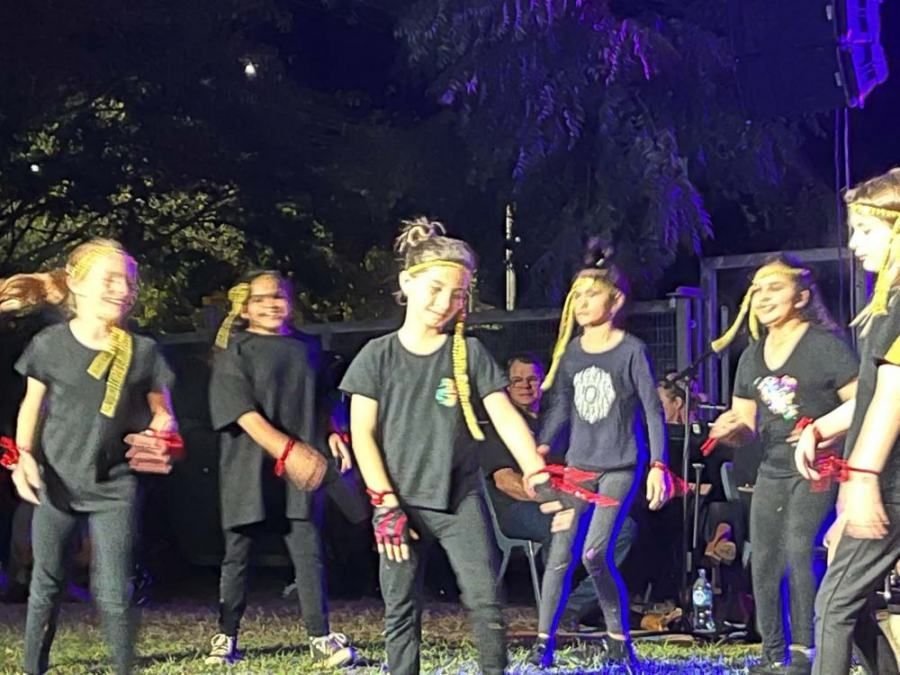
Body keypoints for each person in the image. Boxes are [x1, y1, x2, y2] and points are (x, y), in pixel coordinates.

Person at [339, 217, 558, 675]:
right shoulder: (376, 356)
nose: (446, 303)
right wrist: (384, 503)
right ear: (407, 283)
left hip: (460, 499)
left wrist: (534, 470)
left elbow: (503, 414)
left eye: (459, 294)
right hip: (398, 503)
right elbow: (362, 434)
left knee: (486, 602)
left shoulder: (469, 354)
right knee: (400, 609)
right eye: (436, 289)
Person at [4, 239, 178, 675]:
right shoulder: (49, 346)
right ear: (76, 285)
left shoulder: (143, 352)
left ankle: (122, 667)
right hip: (56, 484)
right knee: (46, 582)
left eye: (130, 282)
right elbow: (33, 406)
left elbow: (164, 412)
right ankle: (32, 667)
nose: (123, 289)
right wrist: (22, 456)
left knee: (115, 587)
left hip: (115, 486)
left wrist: (163, 432)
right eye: (111, 279)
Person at [708, 255, 858, 675]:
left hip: (820, 467)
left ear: (802, 296)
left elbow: (862, 405)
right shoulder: (752, 356)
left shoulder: (825, 346)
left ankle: (804, 652)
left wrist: (827, 435)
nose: (763, 296)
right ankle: (772, 653)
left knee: (798, 550)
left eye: (775, 287)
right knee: (766, 558)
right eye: (757, 289)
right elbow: (748, 426)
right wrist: (729, 428)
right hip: (772, 468)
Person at [205, 270, 360, 667]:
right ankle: (226, 636)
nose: (271, 304)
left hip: (302, 467)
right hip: (248, 465)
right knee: (238, 554)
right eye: (261, 298)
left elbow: (325, 399)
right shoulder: (233, 351)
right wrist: (287, 451)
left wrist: (333, 431)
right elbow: (239, 412)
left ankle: (320, 637)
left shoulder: (309, 347)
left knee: (308, 552)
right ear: (245, 307)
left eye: (279, 296)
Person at [529, 247, 672, 669]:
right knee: (560, 555)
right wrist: (541, 446)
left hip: (619, 467)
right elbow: (560, 407)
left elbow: (652, 410)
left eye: (591, 294)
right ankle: (543, 643)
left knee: (595, 554)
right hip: (578, 467)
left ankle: (617, 639)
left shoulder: (631, 351)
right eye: (577, 296)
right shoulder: (572, 352)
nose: (582, 303)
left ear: (616, 300)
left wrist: (659, 466)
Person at [793, 170, 900, 675]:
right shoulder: (888, 305)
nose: (853, 244)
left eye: (865, 230)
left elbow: (896, 394)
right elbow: (872, 395)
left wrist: (862, 479)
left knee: (833, 605)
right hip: (884, 477)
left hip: (891, 481)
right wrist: (821, 428)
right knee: (848, 600)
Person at [478, 354, 637, 630]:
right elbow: (506, 482)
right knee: (562, 527)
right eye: (517, 380)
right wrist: (556, 499)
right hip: (518, 508)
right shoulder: (499, 428)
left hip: (571, 501)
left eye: (532, 379)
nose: (525, 386)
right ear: (507, 385)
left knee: (624, 528)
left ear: (543, 382)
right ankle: (556, 608)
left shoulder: (558, 425)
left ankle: (573, 607)